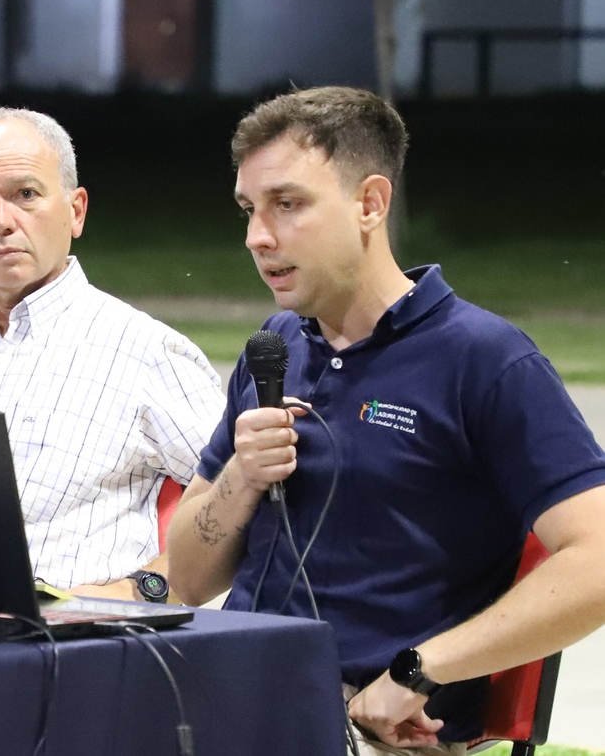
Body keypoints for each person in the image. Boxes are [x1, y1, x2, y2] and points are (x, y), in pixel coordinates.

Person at [165, 86, 605, 753]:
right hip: (230, 699)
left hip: (364, 729)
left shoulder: (483, 358)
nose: (258, 236)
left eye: (288, 204)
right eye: (250, 210)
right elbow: (189, 581)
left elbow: (596, 559)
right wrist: (240, 478)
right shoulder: (276, 346)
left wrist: (419, 670)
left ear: (370, 203)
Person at [0, 107, 224, 599]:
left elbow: (243, 504)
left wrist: (146, 590)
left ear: (75, 211)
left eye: (25, 195)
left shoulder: (146, 352)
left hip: (70, 644)